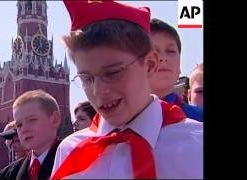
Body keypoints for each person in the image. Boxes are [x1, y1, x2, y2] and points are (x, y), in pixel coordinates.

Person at [51, 1, 203, 179]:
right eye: (86, 79)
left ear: (149, 64)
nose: (99, 91)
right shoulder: (70, 150)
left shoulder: (197, 144)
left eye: (113, 73)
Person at [0, 90, 62, 180]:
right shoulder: (8, 175)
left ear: (55, 119)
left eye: (32, 120)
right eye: (19, 125)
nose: (24, 129)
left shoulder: (77, 164)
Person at [149, 18, 203, 122]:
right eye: (153, 51)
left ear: (179, 68)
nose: (162, 58)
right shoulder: (117, 119)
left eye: (170, 51)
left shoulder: (200, 119)